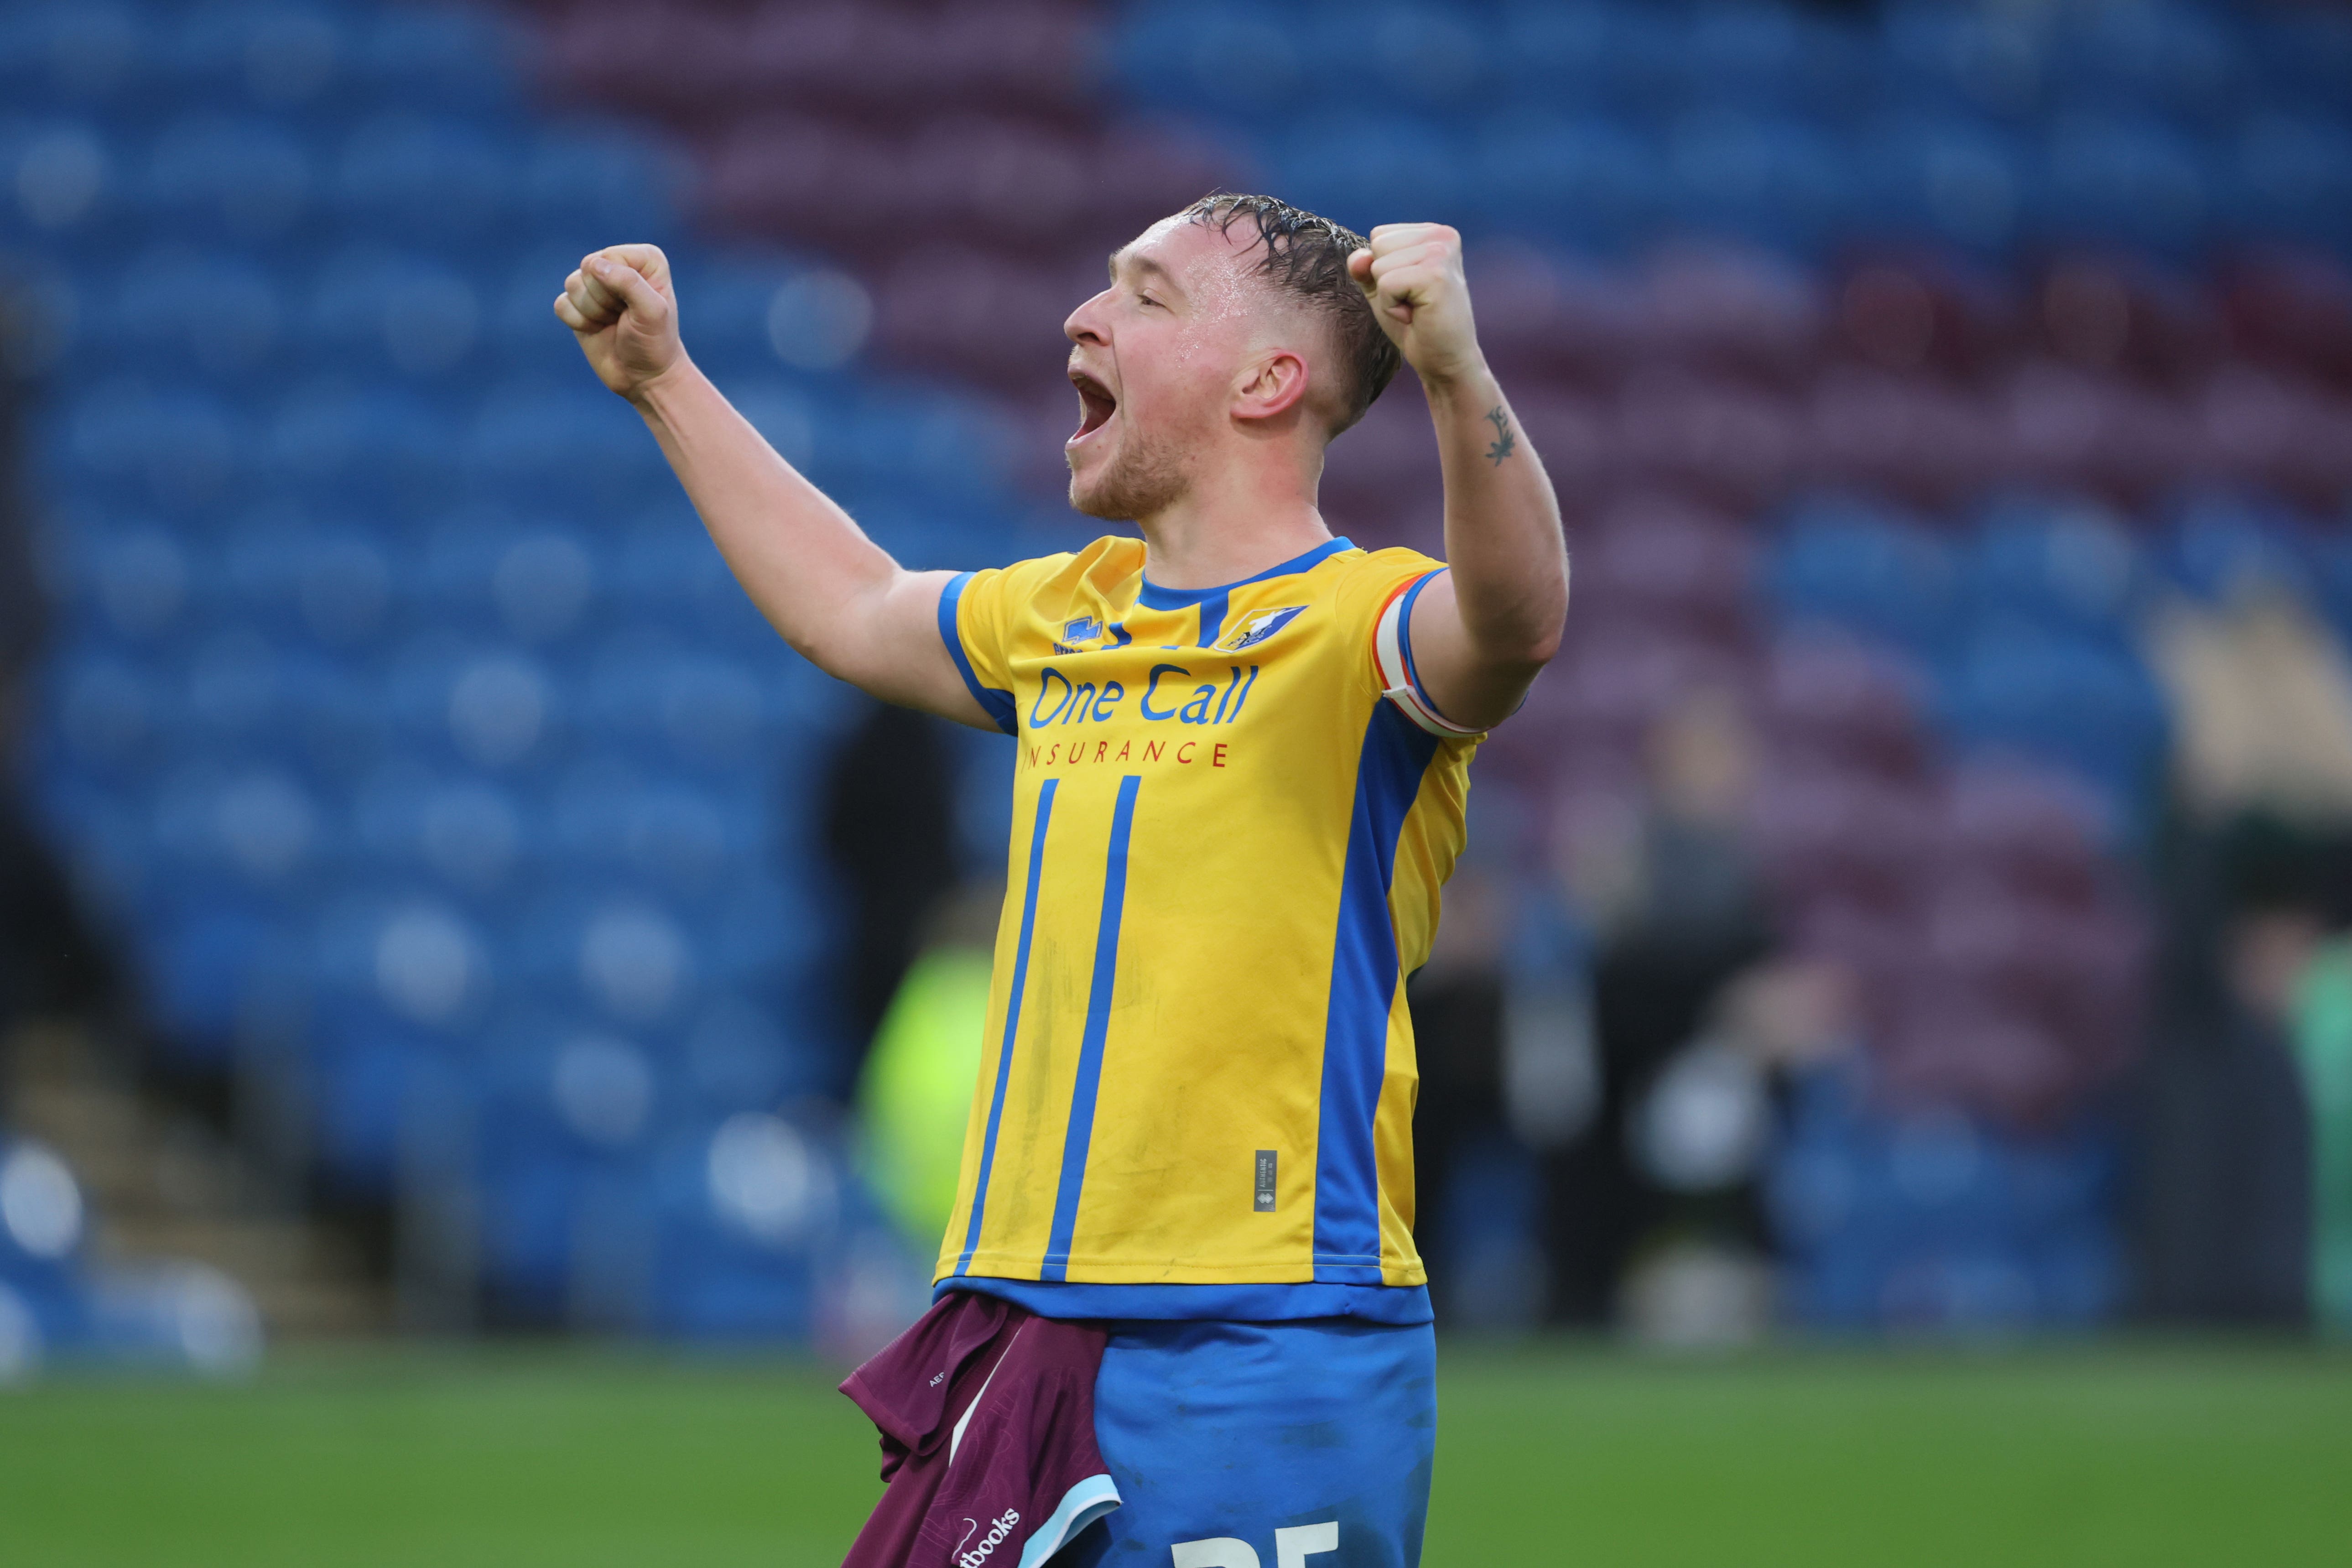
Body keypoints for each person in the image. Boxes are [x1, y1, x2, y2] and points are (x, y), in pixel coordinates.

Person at [557, 193, 1567, 1567]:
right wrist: (664, 384)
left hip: (1259, 1337)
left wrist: (1454, 369)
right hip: (1021, 1330)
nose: (1084, 318)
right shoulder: (1065, 614)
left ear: (1270, 380)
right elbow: (853, 608)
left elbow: (1515, 617)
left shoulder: (1359, 630)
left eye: (1146, 297)